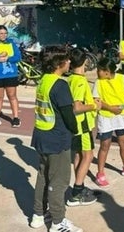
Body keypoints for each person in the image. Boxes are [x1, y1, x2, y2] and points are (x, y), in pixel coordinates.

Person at [29, 45, 82, 232]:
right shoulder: (60, 85)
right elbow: (68, 114)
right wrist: (76, 130)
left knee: (43, 175)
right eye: (67, 60)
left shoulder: (44, 80)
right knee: (59, 181)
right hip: (57, 138)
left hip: (42, 135)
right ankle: (58, 222)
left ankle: (38, 214)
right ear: (59, 63)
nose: (69, 62)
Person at [94, 58, 124, 188]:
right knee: (105, 145)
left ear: (107, 72)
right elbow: (97, 101)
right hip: (106, 117)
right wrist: (110, 108)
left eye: (99, 70)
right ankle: (100, 173)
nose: (97, 72)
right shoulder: (98, 83)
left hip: (121, 117)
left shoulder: (122, 79)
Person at [66, 47, 102, 207]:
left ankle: (79, 186)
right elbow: (77, 107)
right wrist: (94, 105)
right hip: (83, 125)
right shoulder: (79, 82)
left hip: (76, 126)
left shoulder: (71, 79)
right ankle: (76, 192)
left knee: (79, 155)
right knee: (88, 156)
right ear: (85, 61)